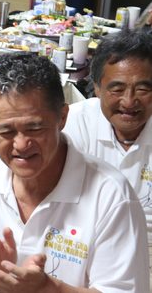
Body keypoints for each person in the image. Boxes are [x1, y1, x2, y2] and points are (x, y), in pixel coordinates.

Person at [0, 53, 149, 292]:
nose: (21, 144)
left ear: (62, 118)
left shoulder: (112, 196)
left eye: (35, 127)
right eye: (5, 131)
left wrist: (46, 287)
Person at [63, 29, 152, 284]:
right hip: (79, 251)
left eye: (143, 89)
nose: (129, 101)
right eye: (117, 88)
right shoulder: (73, 125)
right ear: (97, 88)